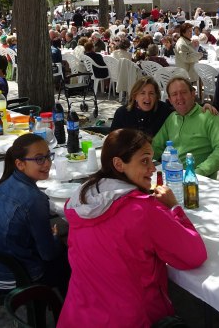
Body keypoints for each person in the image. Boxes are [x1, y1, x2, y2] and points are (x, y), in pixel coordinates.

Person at [59, 129, 207, 327]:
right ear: (119, 164)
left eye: (151, 160)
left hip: (77, 316)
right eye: (144, 161)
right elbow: (194, 255)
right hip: (130, 320)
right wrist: (174, 207)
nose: (152, 169)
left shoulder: (80, 200)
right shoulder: (142, 209)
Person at [0, 134, 68, 292]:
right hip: (13, 277)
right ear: (20, 164)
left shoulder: (7, 182)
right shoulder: (34, 199)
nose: (47, 163)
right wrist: (56, 238)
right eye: (39, 159)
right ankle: (65, 305)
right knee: (72, 257)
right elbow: (48, 254)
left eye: (48, 156)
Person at [153, 77, 219, 178]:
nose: (179, 97)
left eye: (183, 92)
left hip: (198, 180)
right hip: (171, 177)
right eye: (174, 94)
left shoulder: (209, 116)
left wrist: (198, 172)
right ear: (170, 100)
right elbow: (156, 146)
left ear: (192, 94)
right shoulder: (172, 118)